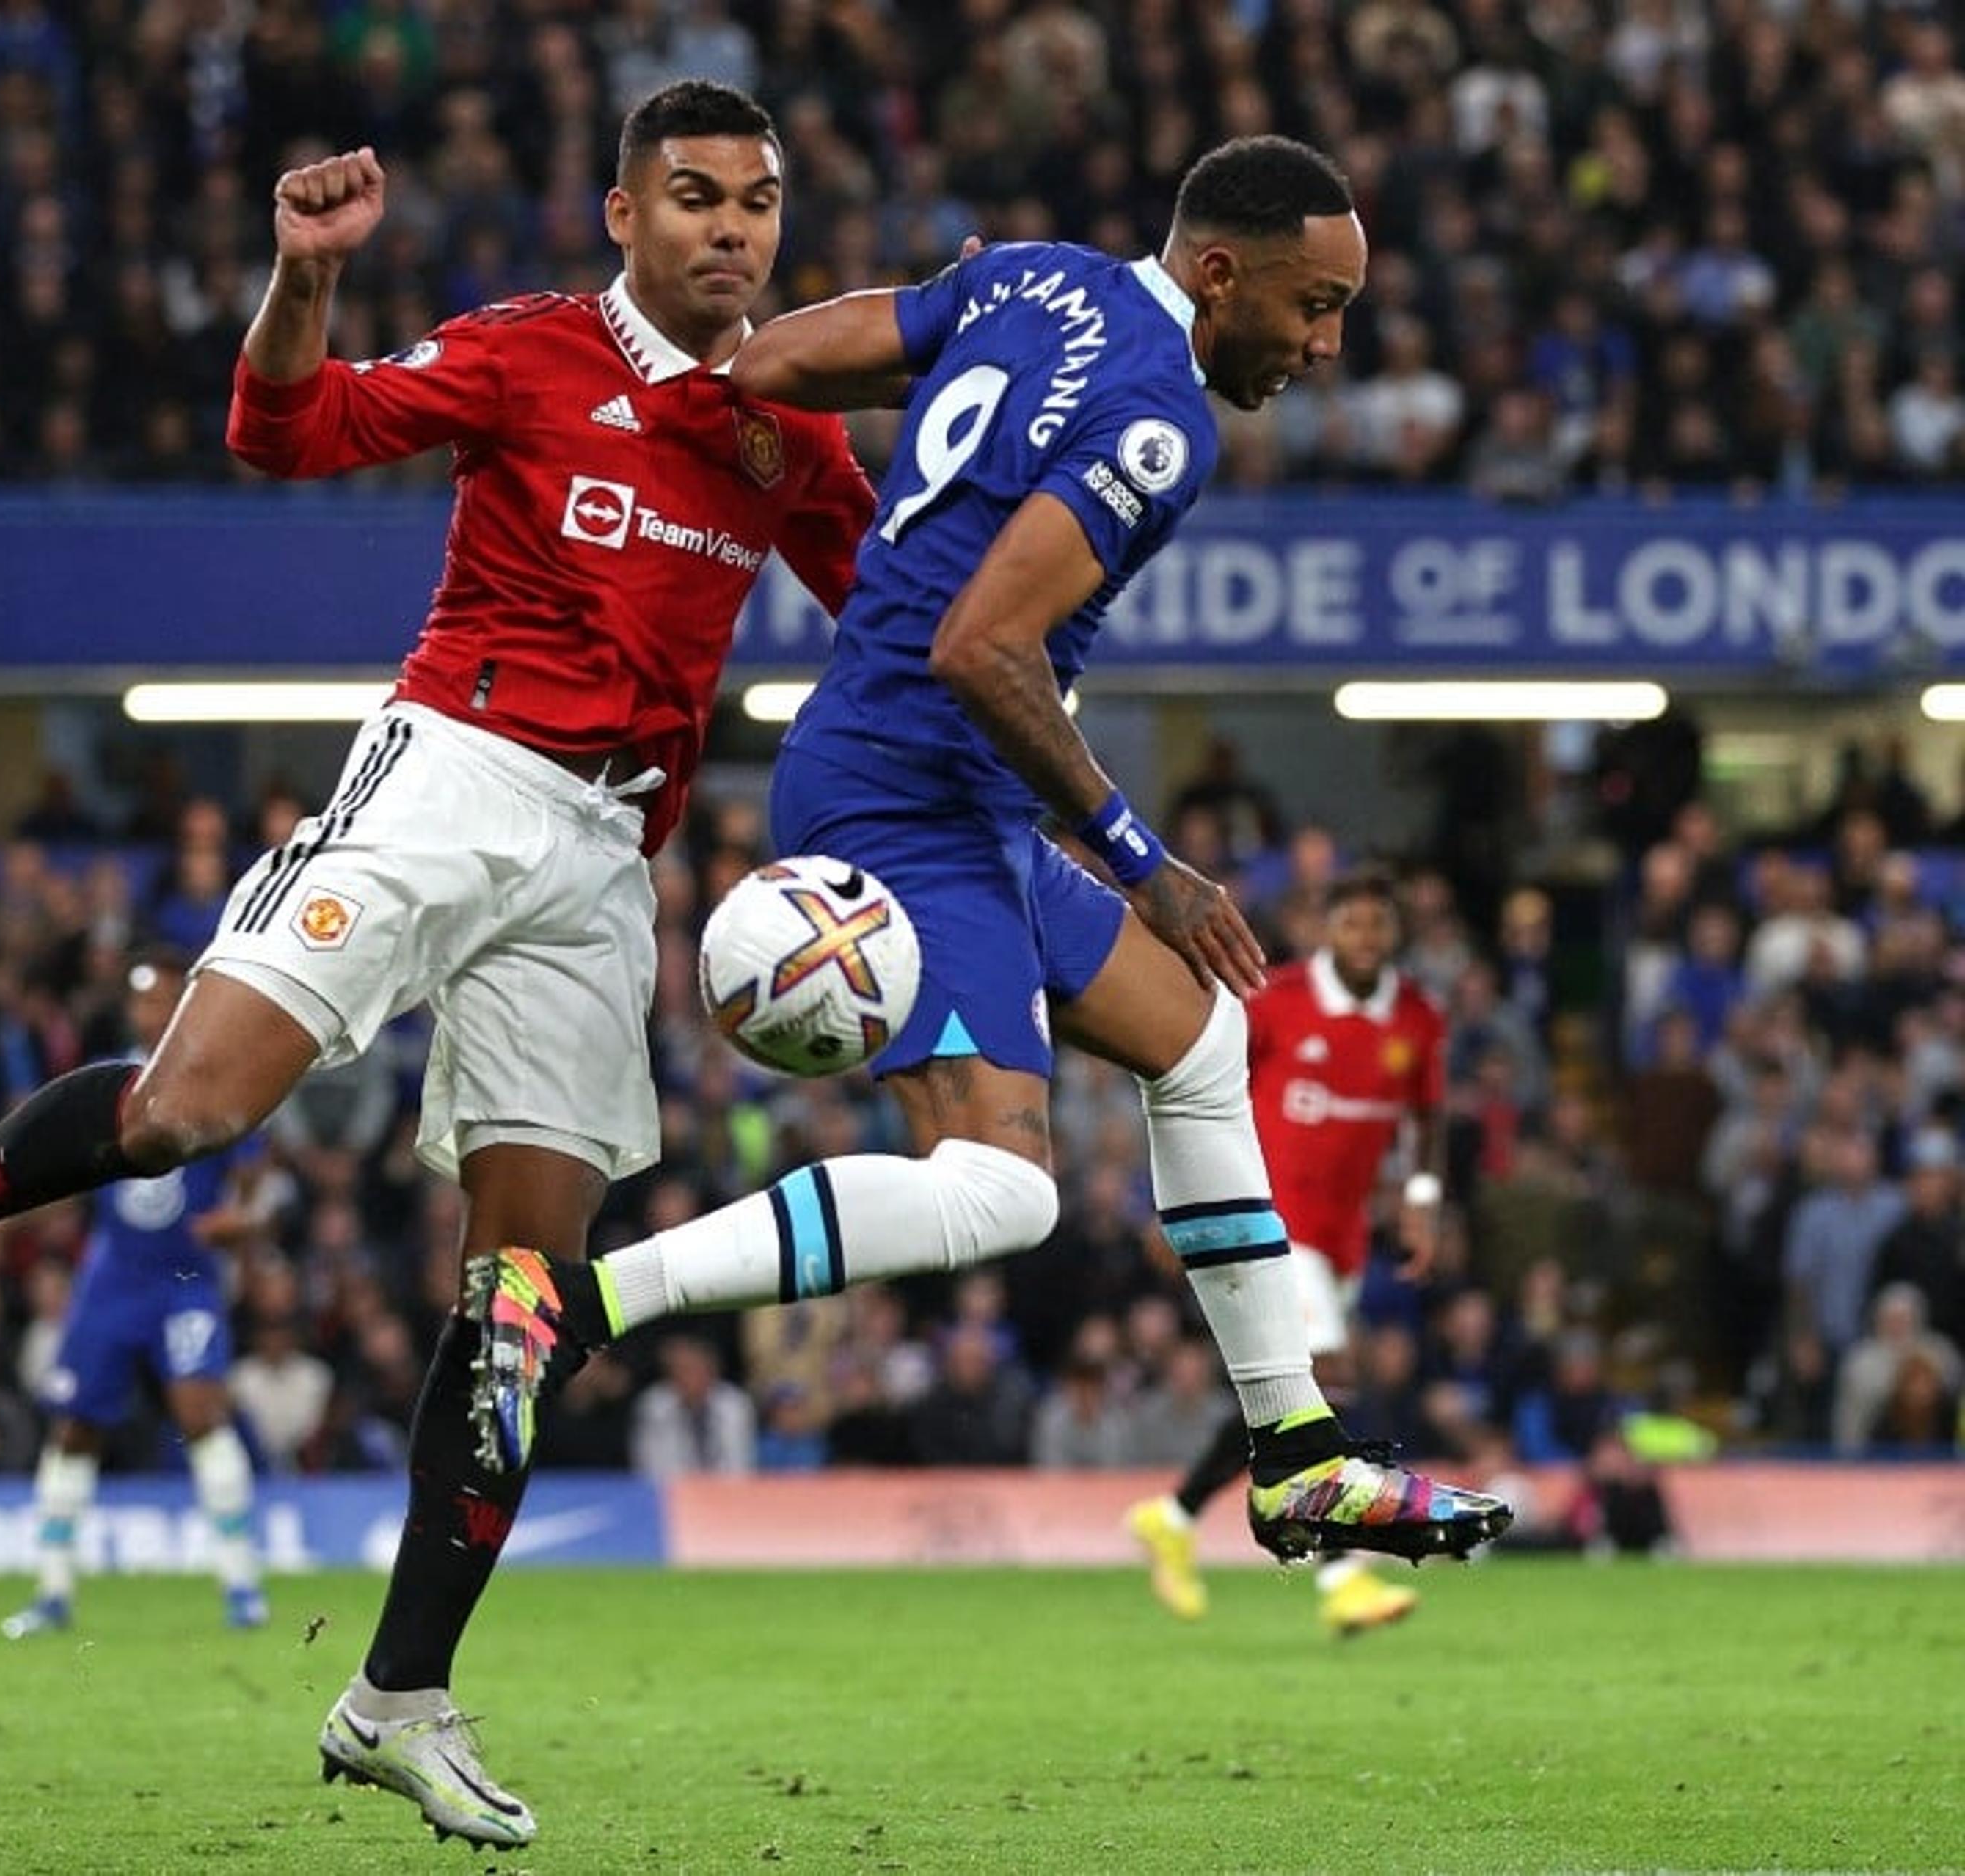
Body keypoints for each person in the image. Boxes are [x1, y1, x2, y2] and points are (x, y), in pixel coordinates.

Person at [0, 80, 875, 1850]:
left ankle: (395, 1696)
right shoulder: (522, 353)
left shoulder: (786, 433)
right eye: (699, 198)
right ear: (621, 216)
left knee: (522, 1314)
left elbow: (896, 610)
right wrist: (304, 279)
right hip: (452, 775)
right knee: (186, 1115)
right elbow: (286, 430)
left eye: (760, 202)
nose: (735, 230)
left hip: (597, 863)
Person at [466, 135, 1510, 1675]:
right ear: (1221, 274)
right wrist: (1144, 854)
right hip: (907, 795)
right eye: (1314, 303)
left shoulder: (1037, 279)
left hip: (951, 791)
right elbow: (979, 645)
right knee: (1002, 1190)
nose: (1327, 343)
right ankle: (573, 1302)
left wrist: (717, 428)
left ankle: (1292, 1455)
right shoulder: (1160, 419)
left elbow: (780, 358)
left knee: (1204, 1039)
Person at [1125, 866, 1451, 1638]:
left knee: (1277, 1394)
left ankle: (1173, 1516)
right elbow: (1194, 1086)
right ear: (1325, 930)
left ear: (1393, 932)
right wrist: (1172, 1200)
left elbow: (1428, 1119)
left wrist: (1424, 1201)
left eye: (1378, 924)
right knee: (1325, 1376)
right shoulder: (1276, 1000)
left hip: (1342, 1239)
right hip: (1273, 1223)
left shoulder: (1417, 1019)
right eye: (1351, 924)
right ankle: (1342, 1576)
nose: (1365, 938)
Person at [0, 948, 280, 1639]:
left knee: (202, 1412)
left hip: (184, 1280)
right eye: (141, 1000)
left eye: (160, 999)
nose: (150, 1012)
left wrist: (240, 1225)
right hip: (112, 1278)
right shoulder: (108, 1082)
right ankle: (53, 1591)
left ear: (184, 1002)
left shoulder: (214, 1076)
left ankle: (243, 1584)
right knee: (76, 1426)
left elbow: (256, 1191)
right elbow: (66, 1178)